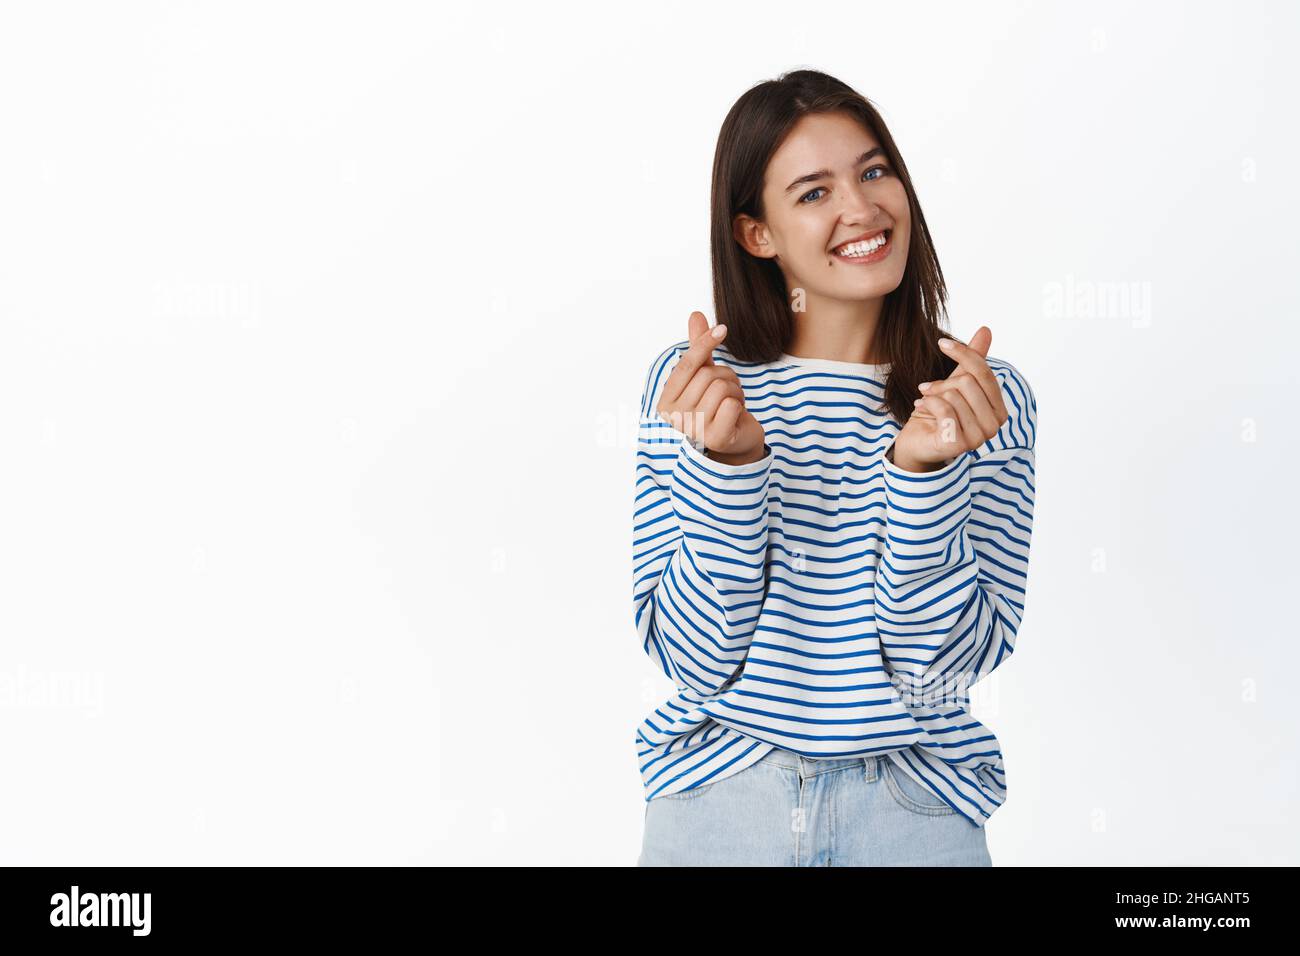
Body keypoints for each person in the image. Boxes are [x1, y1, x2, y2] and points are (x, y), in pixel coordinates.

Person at [632, 69, 1037, 866]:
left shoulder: (981, 399)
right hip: (719, 801)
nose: (862, 208)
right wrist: (730, 467)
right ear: (758, 234)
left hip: (915, 809)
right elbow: (694, 661)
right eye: (813, 193)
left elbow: (937, 671)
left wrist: (924, 476)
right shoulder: (691, 389)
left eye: (874, 170)